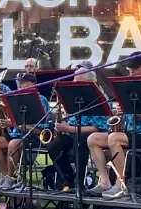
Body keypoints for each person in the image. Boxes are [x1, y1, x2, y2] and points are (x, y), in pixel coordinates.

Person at [87, 52, 141, 198]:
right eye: (130, 68)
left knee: (114, 138)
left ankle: (120, 184)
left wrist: (134, 112)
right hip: (130, 133)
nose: (131, 71)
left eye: (135, 68)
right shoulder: (129, 87)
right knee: (93, 138)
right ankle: (105, 182)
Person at [43, 62, 106, 192]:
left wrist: (69, 129)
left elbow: (98, 128)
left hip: (90, 136)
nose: (72, 83)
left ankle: (80, 183)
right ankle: (69, 180)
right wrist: (63, 123)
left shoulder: (100, 98)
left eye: (76, 81)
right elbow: (71, 121)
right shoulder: (74, 97)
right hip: (72, 133)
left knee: (80, 139)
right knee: (54, 145)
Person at [0, 73, 49, 188]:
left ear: (33, 84)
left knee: (13, 144)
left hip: (33, 136)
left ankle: (10, 177)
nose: (19, 85)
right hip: (16, 134)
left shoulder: (40, 100)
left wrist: (13, 123)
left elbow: (39, 129)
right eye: (19, 83)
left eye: (23, 83)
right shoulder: (15, 99)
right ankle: (5, 176)